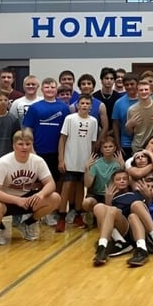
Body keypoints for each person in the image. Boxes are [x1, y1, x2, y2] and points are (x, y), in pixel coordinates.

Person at [0, 129, 62, 245]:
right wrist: (17, 200)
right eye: (20, 144)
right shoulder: (3, 162)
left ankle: (28, 223)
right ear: (14, 146)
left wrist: (41, 194)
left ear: (31, 145)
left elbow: (51, 183)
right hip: (7, 200)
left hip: (28, 198)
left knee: (55, 198)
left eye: (28, 144)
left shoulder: (38, 161)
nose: (24, 147)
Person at [91, 170, 153, 267]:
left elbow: (147, 208)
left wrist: (148, 196)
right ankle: (105, 246)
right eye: (118, 179)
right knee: (99, 207)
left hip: (138, 226)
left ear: (129, 181)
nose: (122, 181)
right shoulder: (111, 197)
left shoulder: (136, 193)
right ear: (113, 183)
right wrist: (108, 201)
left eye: (124, 179)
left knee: (135, 208)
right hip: (123, 229)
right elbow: (107, 218)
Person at [22, 77, 71, 226]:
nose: (50, 90)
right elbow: (27, 130)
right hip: (39, 151)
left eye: (52, 87)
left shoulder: (63, 108)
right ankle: (34, 211)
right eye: (47, 87)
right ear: (42, 89)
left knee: (53, 183)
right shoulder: (35, 108)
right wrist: (31, 150)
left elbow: (66, 133)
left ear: (56, 89)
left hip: (56, 152)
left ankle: (50, 212)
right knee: (37, 183)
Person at [56, 94, 98, 231]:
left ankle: (77, 215)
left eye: (87, 103)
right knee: (67, 187)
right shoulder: (70, 119)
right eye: (82, 103)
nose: (85, 105)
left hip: (84, 161)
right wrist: (61, 159)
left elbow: (93, 143)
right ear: (77, 105)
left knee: (81, 188)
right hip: (70, 159)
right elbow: (62, 139)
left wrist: (91, 161)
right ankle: (61, 217)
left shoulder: (93, 121)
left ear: (91, 106)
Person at [82, 136, 123, 218]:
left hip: (113, 195)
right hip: (97, 195)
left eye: (110, 146)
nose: (108, 149)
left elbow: (123, 181)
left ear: (115, 148)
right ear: (101, 149)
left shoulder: (118, 163)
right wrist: (87, 169)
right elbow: (87, 184)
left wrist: (123, 166)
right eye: (105, 147)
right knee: (86, 203)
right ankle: (92, 215)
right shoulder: (96, 164)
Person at [126, 80, 153, 152]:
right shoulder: (131, 110)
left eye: (146, 89)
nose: (144, 92)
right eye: (141, 90)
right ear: (137, 92)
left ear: (150, 91)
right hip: (139, 147)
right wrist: (129, 126)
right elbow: (130, 132)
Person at [111, 72, 139, 157]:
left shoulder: (144, 101)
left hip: (143, 142)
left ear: (137, 84)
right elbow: (115, 124)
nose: (129, 87)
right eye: (127, 85)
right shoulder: (119, 103)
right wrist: (118, 144)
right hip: (126, 144)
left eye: (132, 84)